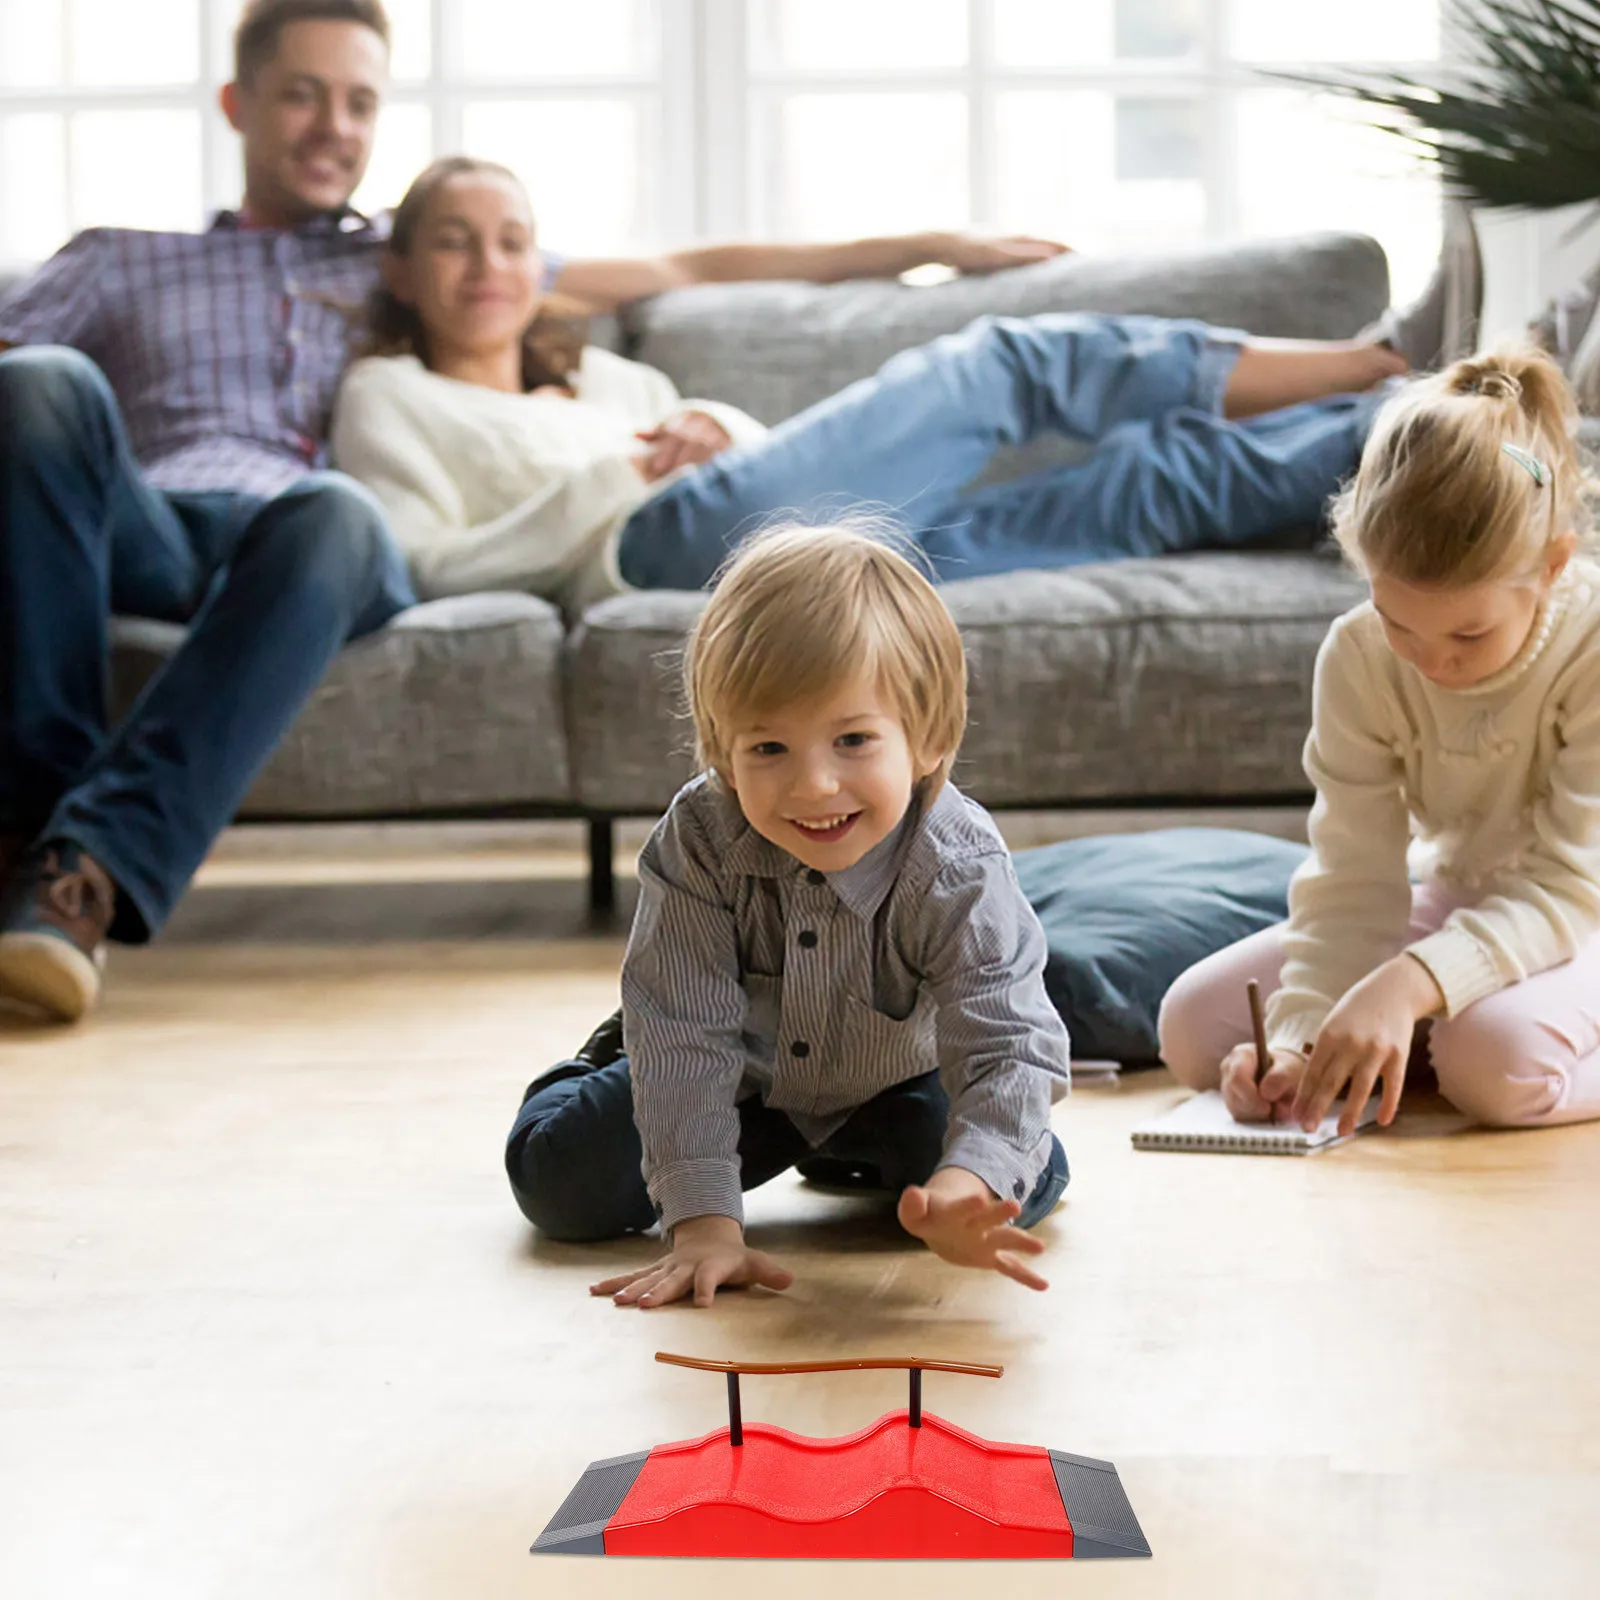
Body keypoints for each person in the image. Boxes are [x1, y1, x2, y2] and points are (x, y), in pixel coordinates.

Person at [0, 0, 1068, 1025]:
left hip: (312, 549)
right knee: (39, 382)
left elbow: (689, 266)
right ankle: (33, 839)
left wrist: (932, 242)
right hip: (145, 521)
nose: (334, 127)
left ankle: (75, 877)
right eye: (301, 96)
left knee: (333, 508)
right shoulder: (118, 257)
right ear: (238, 103)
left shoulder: (403, 257)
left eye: (360, 103)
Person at [331, 158, 1410, 614]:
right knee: (1000, 365)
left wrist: (717, 425)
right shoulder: (392, 396)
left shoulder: (611, 376)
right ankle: (1375, 354)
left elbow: (761, 471)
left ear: (542, 265)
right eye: (454, 243)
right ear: (401, 269)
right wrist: (612, 478)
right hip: (654, 552)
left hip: (793, 560)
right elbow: (418, 567)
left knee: (1135, 489)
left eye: (512, 241)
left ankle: (1408, 420)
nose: (488, 267)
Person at [506, 525, 1073, 1307]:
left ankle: (857, 1150)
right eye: (768, 748)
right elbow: (687, 1039)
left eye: (852, 740)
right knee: (558, 1186)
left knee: (1014, 1180)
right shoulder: (700, 839)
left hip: (897, 1077)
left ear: (929, 740)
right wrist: (703, 1223)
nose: (813, 786)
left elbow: (1009, 1044)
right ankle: (606, 1052)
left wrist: (965, 1182)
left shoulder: (958, 862)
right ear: (720, 753)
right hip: (739, 1072)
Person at [1158, 346, 1600, 1136]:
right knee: (1195, 1029)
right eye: (1400, 622)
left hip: (1584, 908)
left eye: (1468, 633)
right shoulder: (1359, 653)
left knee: (1495, 1070)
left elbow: (1572, 887)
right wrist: (1297, 1040)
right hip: (1464, 894)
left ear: (1554, 566)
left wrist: (1405, 986)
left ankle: (1442, 1035)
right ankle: (1426, 1036)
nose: (1432, 662)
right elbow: (1353, 872)